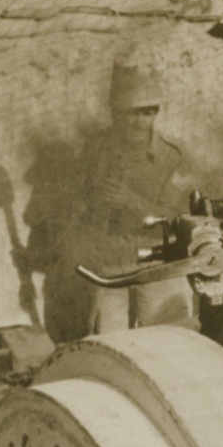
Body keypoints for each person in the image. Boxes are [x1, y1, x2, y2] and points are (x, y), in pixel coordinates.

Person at [74, 58, 196, 332]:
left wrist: (134, 203)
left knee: (168, 341)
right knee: (108, 344)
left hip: (158, 266)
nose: (139, 122)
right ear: (116, 114)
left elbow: (182, 219)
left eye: (147, 113)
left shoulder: (172, 157)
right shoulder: (96, 150)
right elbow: (80, 204)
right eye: (131, 113)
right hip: (108, 267)